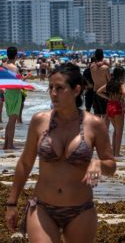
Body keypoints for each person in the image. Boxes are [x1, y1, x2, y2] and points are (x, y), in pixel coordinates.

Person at [5, 63, 116, 242]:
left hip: (81, 210)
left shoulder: (94, 124)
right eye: (51, 88)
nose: (53, 93)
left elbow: (111, 166)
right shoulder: (39, 121)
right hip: (43, 208)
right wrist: (11, 204)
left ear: (76, 90)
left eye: (60, 88)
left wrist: (98, 164)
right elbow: (25, 163)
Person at [97, 66, 125, 157]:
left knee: (115, 130)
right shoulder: (121, 83)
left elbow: (98, 91)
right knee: (119, 131)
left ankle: (113, 151)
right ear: (121, 75)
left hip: (109, 106)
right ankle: (117, 153)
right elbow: (124, 92)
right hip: (117, 106)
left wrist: (108, 97)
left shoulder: (109, 83)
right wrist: (121, 99)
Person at [3, 46, 22, 149]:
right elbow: (18, 83)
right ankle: (10, 144)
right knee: (12, 120)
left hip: (7, 93)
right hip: (15, 93)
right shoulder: (15, 68)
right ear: (16, 55)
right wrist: (26, 78)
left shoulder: (3, 65)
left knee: (10, 119)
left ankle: (6, 144)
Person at [90, 49, 111, 120]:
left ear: (95, 56)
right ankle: (104, 131)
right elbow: (109, 81)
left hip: (95, 92)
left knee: (97, 115)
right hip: (103, 93)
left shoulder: (91, 66)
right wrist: (105, 63)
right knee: (105, 115)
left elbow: (96, 64)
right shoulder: (105, 68)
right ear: (103, 56)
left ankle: (97, 131)